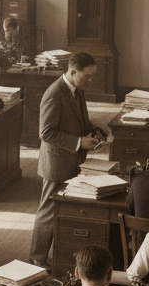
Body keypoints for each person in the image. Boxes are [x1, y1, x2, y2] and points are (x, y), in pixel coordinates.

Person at [28, 51, 102, 268]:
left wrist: (94, 130)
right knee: (48, 212)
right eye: (87, 76)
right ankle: (37, 258)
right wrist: (79, 142)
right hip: (56, 164)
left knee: (63, 209)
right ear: (73, 72)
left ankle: (55, 255)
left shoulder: (77, 90)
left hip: (71, 160)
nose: (90, 80)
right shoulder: (54, 94)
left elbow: (80, 121)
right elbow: (46, 133)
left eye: (92, 76)